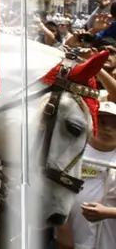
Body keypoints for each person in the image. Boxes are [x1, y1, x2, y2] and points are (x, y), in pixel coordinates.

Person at [59, 101, 116, 248]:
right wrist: (61, 227)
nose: (108, 129)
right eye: (102, 122)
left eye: (115, 125)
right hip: (65, 241)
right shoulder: (69, 151)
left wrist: (108, 212)